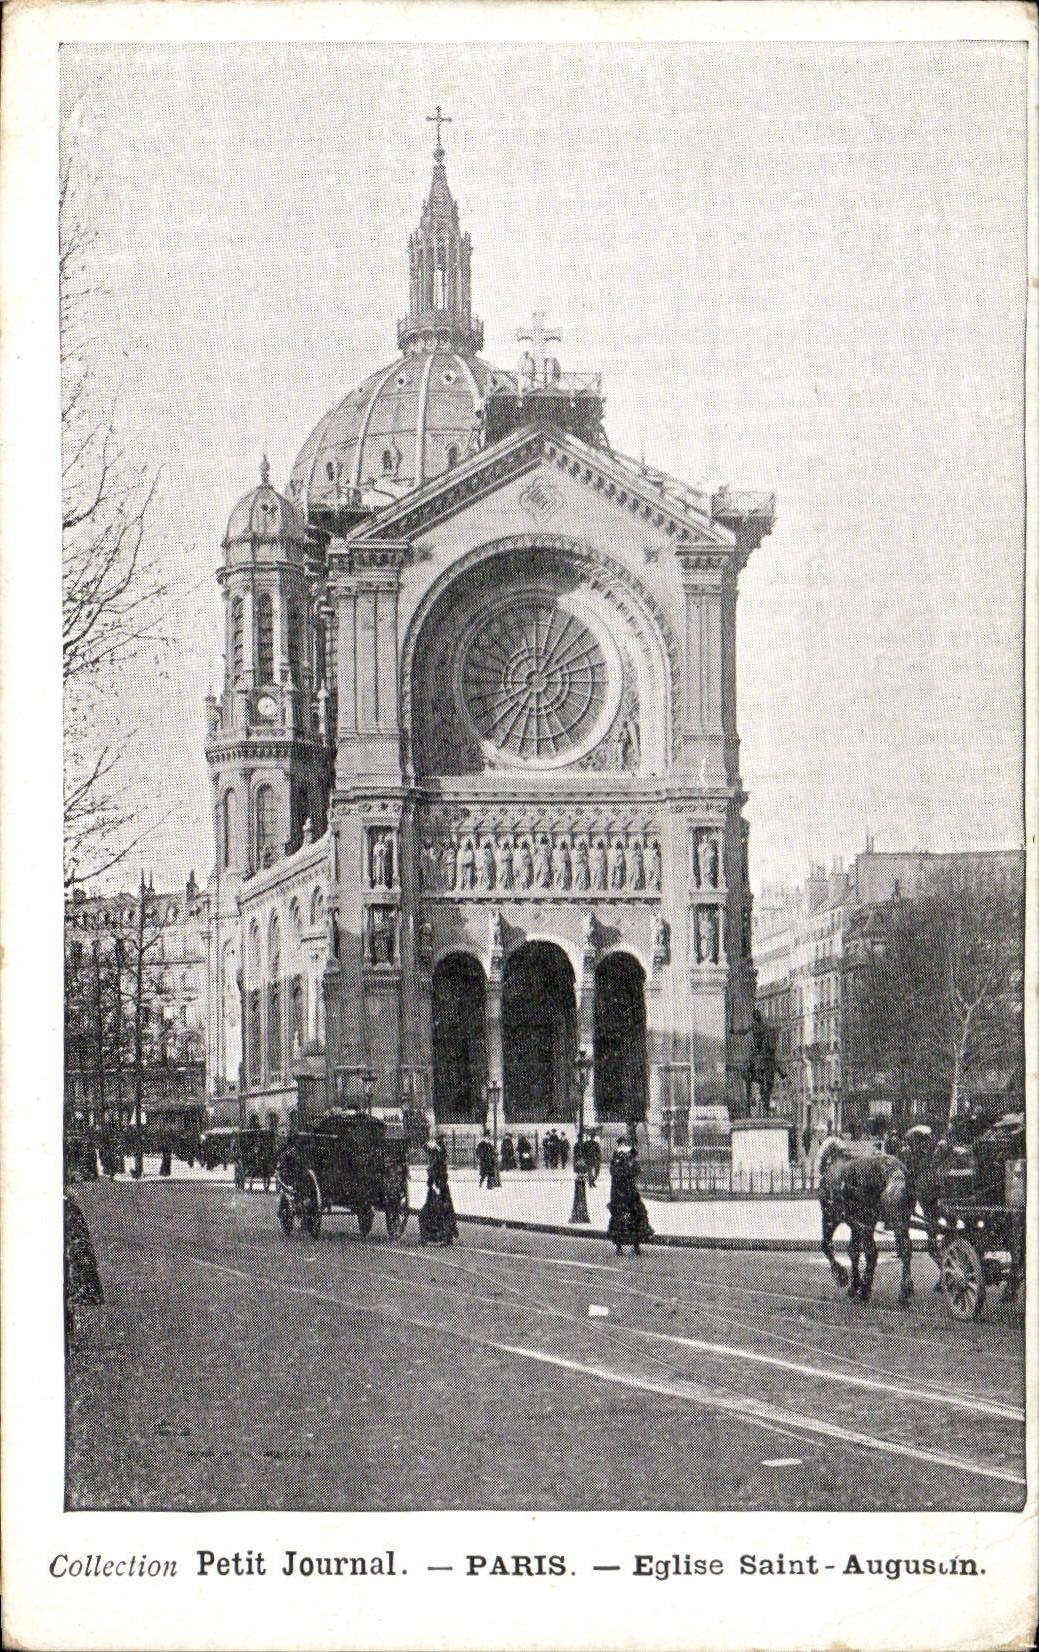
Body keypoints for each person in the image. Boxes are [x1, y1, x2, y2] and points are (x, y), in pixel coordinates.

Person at [606, 1140, 654, 1256]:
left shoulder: (620, 1162)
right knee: (629, 1217)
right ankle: (626, 1246)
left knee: (630, 1217)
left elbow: (635, 1171)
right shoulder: (620, 1163)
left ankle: (631, 1246)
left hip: (626, 1195)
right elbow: (632, 1172)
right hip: (624, 1195)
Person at [419, 1139, 459, 1246]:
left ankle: (438, 1237)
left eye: (429, 1152)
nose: (428, 1155)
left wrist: (431, 1178)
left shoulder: (437, 1163)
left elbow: (435, 1178)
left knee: (435, 1213)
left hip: (438, 1191)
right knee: (442, 1213)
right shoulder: (439, 1161)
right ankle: (445, 1237)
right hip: (439, 1190)